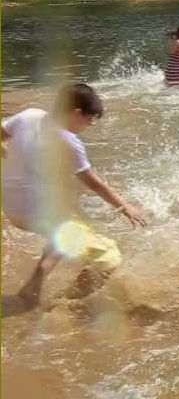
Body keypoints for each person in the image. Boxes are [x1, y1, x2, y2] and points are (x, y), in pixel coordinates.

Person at [0, 83, 149, 309]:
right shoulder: (69, 142)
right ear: (76, 113)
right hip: (35, 210)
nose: (88, 126)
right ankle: (58, 304)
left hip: (11, 207)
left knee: (67, 226)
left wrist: (4, 149)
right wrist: (125, 206)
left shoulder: (29, 115)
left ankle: (33, 288)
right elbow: (93, 182)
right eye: (89, 121)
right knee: (110, 259)